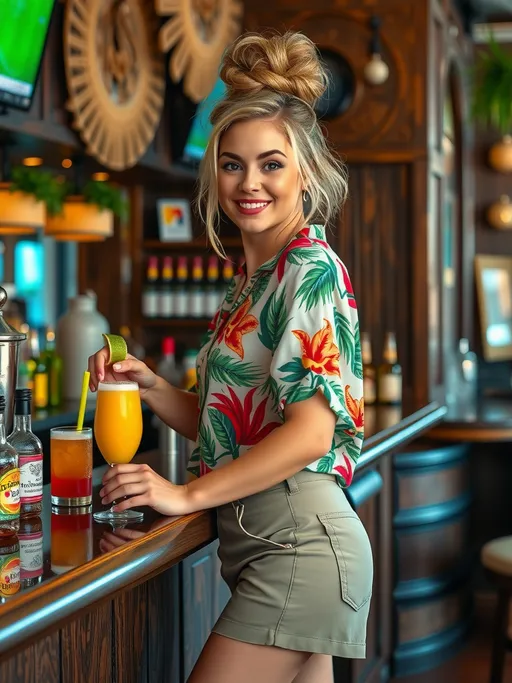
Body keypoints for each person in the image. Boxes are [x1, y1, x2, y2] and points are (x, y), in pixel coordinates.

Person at [88, 30, 373, 683]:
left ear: (305, 169)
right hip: (276, 548)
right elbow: (235, 424)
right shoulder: (253, 283)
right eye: (233, 163)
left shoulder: (307, 268)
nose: (250, 182)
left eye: (272, 163)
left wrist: (186, 493)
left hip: (298, 546)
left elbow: (309, 432)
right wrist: (152, 386)